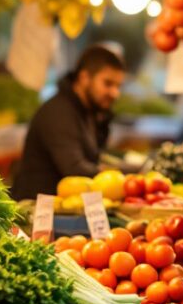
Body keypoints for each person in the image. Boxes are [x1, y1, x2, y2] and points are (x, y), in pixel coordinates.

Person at [11, 44, 126, 200]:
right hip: (37, 213)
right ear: (84, 78)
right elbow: (74, 168)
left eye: (118, 86)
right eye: (108, 83)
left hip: (69, 210)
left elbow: (95, 156)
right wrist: (122, 177)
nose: (115, 93)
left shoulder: (88, 111)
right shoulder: (58, 112)